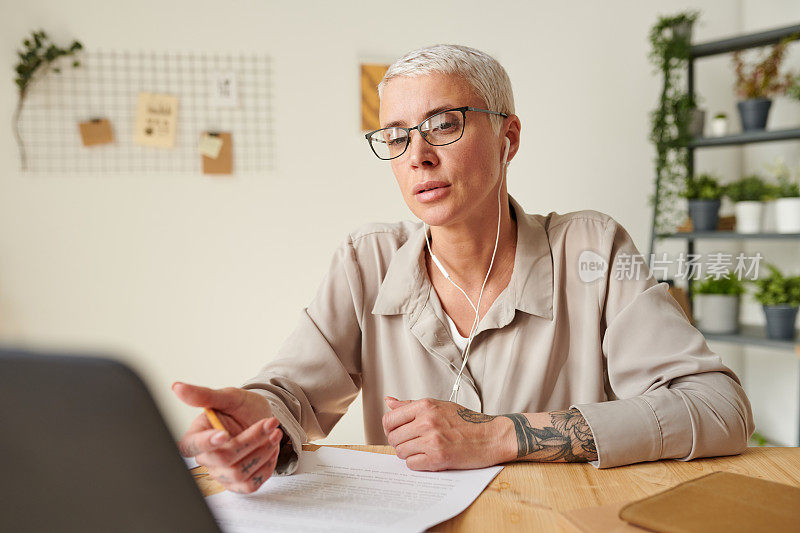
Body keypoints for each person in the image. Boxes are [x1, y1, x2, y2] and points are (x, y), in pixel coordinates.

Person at [172, 44, 755, 495]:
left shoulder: (592, 248)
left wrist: (499, 435)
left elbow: (718, 406)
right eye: (395, 137)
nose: (418, 155)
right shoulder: (366, 259)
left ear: (509, 137)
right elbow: (290, 398)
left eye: (444, 124)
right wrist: (256, 424)